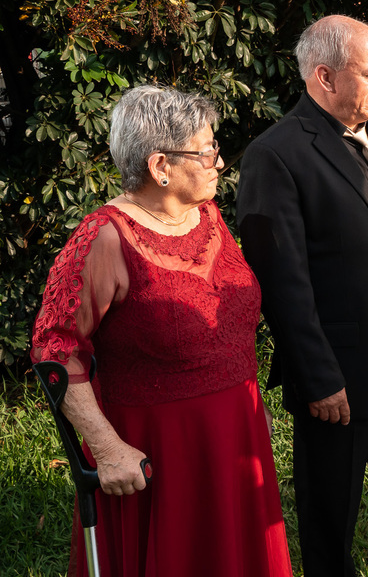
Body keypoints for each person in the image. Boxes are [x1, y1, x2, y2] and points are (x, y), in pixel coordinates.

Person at [30, 85, 292, 577]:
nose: (218, 161)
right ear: (160, 166)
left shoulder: (208, 217)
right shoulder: (104, 238)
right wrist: (107, 449)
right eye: (206, 149)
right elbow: (55, 348)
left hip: (235, 435)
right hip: (160, 451)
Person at [237, 15, 368, 577]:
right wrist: (319, 376)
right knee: (332, 511)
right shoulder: (274, 155)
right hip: (336, 372)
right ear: (324, 78)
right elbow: (282, 282)